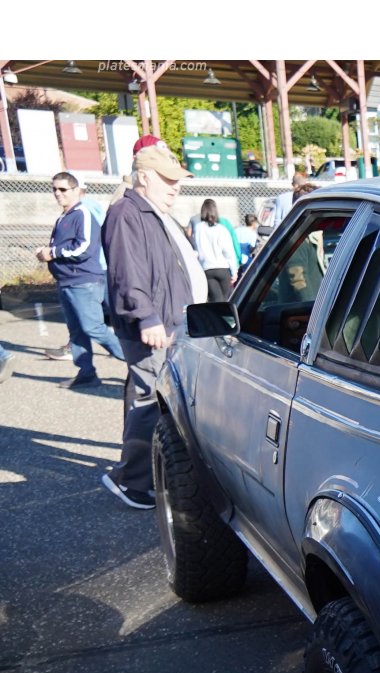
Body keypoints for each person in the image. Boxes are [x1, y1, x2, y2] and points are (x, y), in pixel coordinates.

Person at [99, 146, 205, 510]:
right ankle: (131, 482)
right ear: (144, 176)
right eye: (168, 180)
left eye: (178, 181)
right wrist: (146, 317)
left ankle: (148, 476)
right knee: (149, 404)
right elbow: (126, 273)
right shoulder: (127, 212)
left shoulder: (149, 211)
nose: (175, 188)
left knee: (159, 403)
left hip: (169, 324)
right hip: (152, 328)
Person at [35, 172, 125, 390]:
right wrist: (46, 253)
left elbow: (84, 247)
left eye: (63, 189)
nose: (58, 193)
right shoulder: (64, 216)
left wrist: (52, 253)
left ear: (76, 190)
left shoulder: (82, 212)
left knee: (93, 327)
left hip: (83, 281)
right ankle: (86, 374)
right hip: (66, 281)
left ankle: (139, 363)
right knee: (77, 330)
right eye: (54, 189)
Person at [193, 198, 239, 301]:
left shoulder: (198, 228)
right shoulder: (222, 229)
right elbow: (228, 252)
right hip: (223, 268)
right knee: (226, 300)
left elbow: (196, 249)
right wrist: (234, 271)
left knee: (215, 301)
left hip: (207, 269)